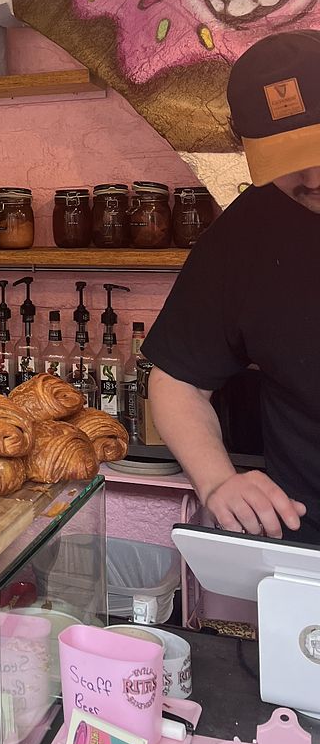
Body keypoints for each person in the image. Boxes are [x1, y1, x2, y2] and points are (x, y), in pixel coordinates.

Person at [144, 30, 320, 543]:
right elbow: (177, 380)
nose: (313, 177)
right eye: (287, 159)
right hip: (306, 543)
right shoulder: (247, 233)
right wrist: (218, 481)